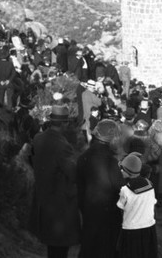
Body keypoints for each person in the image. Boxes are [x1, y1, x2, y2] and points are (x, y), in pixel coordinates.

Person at [29, 105, 81, 258]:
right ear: (64, 123)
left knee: (51, 247)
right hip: (60, 202)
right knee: (60, 248)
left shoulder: (38, 138)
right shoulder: (62, 145)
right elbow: (73, 174)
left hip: (42, 197)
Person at [76, 119, 124, 258]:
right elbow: (119, 187)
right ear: (112, 139)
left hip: (87, 210)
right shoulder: (110, 161)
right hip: (108, 214)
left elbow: (79, 185)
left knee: (88, 247)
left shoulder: (83, 157)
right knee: (105, 249)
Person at [117, 153, 158, 258]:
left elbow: (120, 208)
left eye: (122, 169)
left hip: (131, 229)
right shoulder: (150, 185)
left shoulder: (125, 190)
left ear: (127, 172)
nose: (120, 171)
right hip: (149, 227)